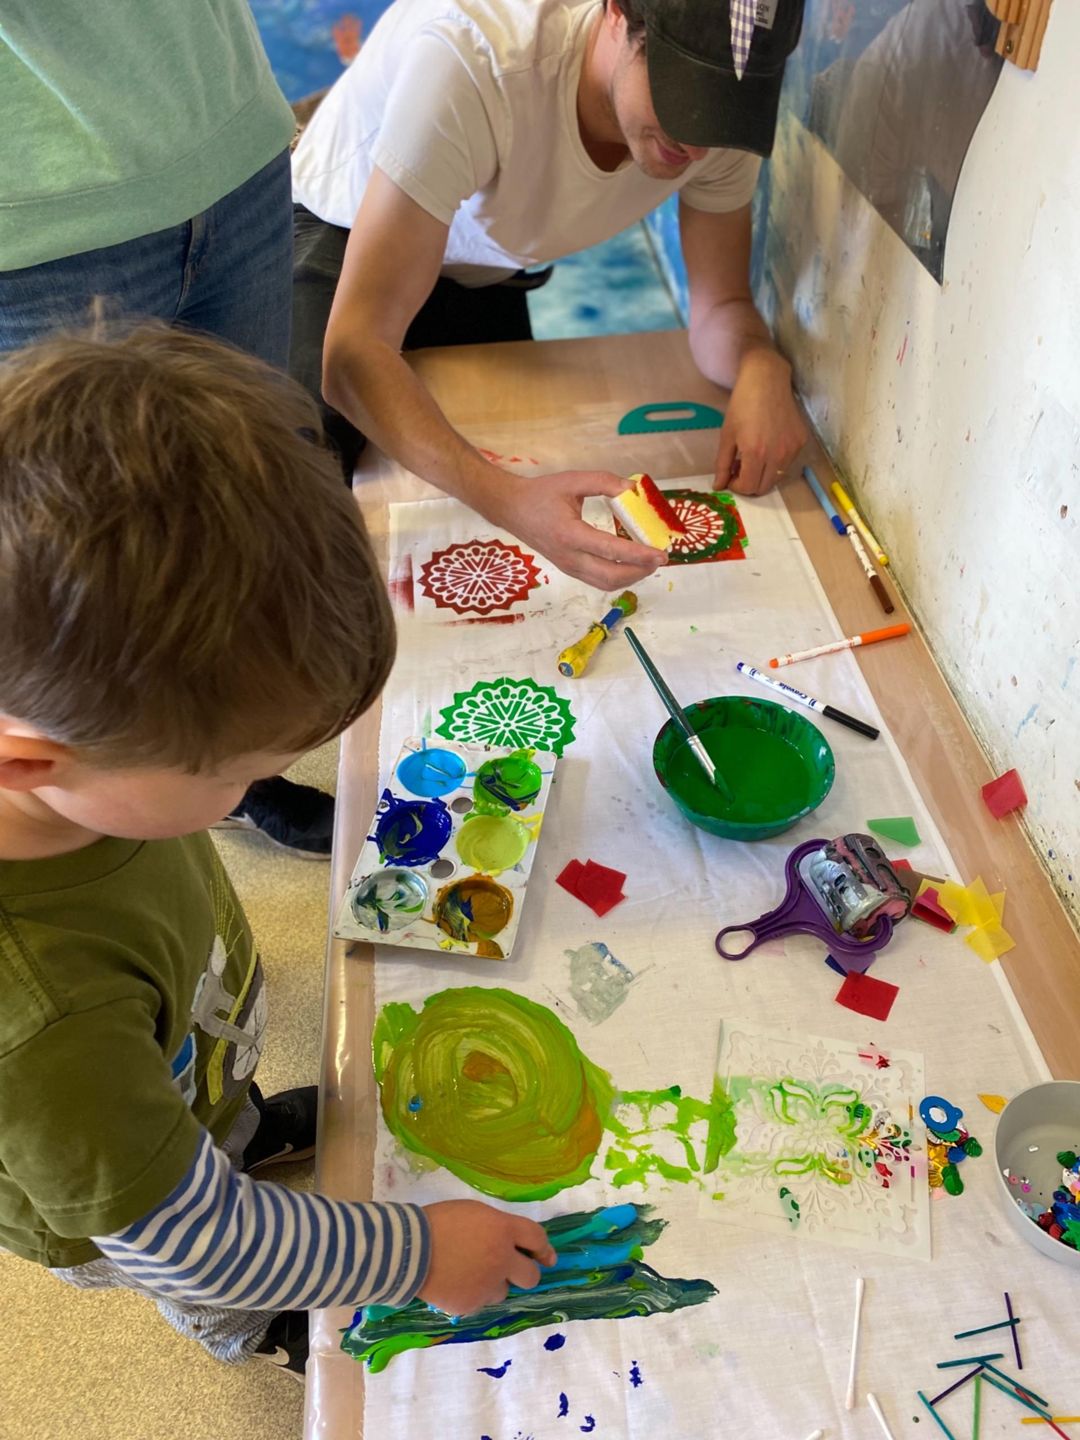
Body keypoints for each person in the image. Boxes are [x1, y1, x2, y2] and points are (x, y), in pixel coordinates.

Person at [0, 324, 555, 1381]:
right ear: (32, 764)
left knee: (213, 1124)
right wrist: (419, 1252)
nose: (255, 790)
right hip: (139, 1212)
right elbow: (189, 1243)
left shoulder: (79, 771)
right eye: (235, 773)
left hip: (180, 1058)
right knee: (210, 1274)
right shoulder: (43, 1023)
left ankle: (237, 1132)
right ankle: (255, 1332)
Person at [291, 0, 811, 591]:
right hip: (343, 232)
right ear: (617, 12)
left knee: (506, 450)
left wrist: (759, 363)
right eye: (683, 97)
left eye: (721, 113)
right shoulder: (473, 61)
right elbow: (353, 354)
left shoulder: (717, 137)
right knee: (305, 488)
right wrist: (507, 500)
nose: (696, 145)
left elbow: (721, 308)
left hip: (482, 261)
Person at [0, 0, 333, 857]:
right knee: (82, 628)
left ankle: (196, 784)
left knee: (237, 550)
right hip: (32, 216)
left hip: (222, 126)